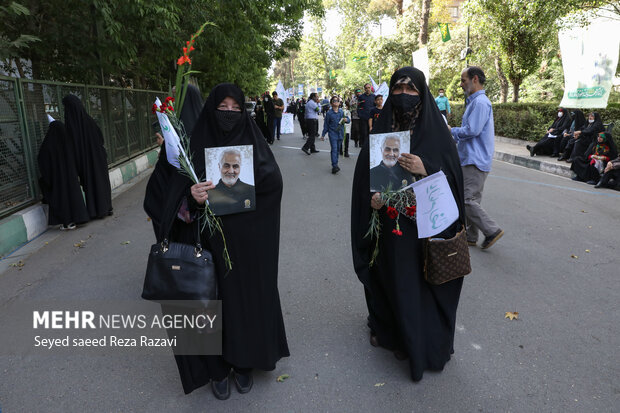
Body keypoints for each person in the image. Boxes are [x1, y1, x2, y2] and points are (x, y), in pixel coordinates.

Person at [144, 83, 289, 400]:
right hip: (206, 248)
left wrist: (249, 192)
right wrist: (192, 197)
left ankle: (243, 363)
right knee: (210, 306)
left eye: (235, 108)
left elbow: (273, 184)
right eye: (222, 107)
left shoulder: (254, 142)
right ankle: (217, 368)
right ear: (211, 109)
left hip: (247, 246)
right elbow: (164, 200)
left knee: (243, 306)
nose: (229, 114)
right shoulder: (192, 146)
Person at [351, 66, 466, 381]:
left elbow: (454, 181)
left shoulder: (437, 134)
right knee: (394, 281)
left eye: (411, 89)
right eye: (398, 89)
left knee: (423, 285)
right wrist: (371, 200)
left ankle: (423, 342)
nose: (404, 95)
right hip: (392, 231)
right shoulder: (381, 133)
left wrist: (425, 167)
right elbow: (366, 180)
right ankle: (394, 335)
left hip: (427, 231)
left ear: (422, 93)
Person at [449, 66, 503, 249]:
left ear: (475, 79)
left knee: (466, 200)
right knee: (472, 199)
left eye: (464, 80)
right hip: (472, 158)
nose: (461, 84)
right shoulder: (475, 102)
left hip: (474, 159)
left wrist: (451, 131)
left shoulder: (480, 103)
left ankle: (492, 230)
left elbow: (472, 130)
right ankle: (471, 236)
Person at [145, 84, 204, 236]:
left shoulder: (180, 134)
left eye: (175, 96)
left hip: (180, 213)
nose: (170, 101)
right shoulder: (206, 130)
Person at [62, 94, 113, 219]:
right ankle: (105, 208)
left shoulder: (72, 125)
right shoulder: (89, 121)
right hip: (98, 158)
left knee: (90, 183)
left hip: (85, 161)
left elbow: (72, 145)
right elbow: (100, 137)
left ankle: (95, 211)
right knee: (101, 182)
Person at [37, 117, 89, 230]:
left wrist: (49, 178)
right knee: (73, 196)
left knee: (62, 199)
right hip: (71, 178)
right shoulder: (68, 143)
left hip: (57, 180)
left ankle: (67, 222)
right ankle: (78, 218)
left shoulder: (48, 145)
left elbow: (42, 160)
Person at [208, 148, 255, 215]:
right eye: (226, 166)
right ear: (219, 166)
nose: (231, 171)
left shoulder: (252, 191)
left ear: (240, 168)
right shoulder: (209, 194)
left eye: (235, 166)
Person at [321, 96, 350, 174]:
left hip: (340, 134)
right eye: (334, 101)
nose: (336, 102)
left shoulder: (342, 112)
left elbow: (348, 120)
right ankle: (334, 166)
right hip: (332, 134)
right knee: (334, 149)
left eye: (337, 100)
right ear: (331, 103)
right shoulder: (329, 113)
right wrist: (323, 135)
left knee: (337, 150)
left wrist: (346, 119)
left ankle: (336, 164)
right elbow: (326, 125)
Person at [357, 83, 376, 148]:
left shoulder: (374, 96)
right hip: (364, 117)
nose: (368, 89)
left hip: (371, 118)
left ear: (370, 88)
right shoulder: (361, 97)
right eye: (366, 88)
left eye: (369, 88)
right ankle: (363, 145)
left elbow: (376, 106)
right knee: (364, 132)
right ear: (364, 89)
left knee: (370, 132)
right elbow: (359, 107)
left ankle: (370, 145)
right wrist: (360, 115)